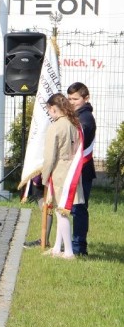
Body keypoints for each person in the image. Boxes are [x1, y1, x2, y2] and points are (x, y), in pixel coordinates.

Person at [40, 93, 84, 259]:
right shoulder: (74, 124)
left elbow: (50, 156)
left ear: (53, 109)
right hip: (72, 170)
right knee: (62, 210)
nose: (49, 113)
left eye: (49, 110)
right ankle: (57, 248)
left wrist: (44, 177)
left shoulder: (56, 127)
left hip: (59, 171)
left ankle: (69, 252)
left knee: (61, 212)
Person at [67, 82, 95, 256]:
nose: (71, 102)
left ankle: (79, 247)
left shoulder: (85, 119)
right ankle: (70, 243)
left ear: (86, 98)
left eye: (75, 99)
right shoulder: (75, 115)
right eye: (69, 98)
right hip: (75, 169)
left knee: (79, 209)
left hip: (82, 170)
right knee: (72, 208)